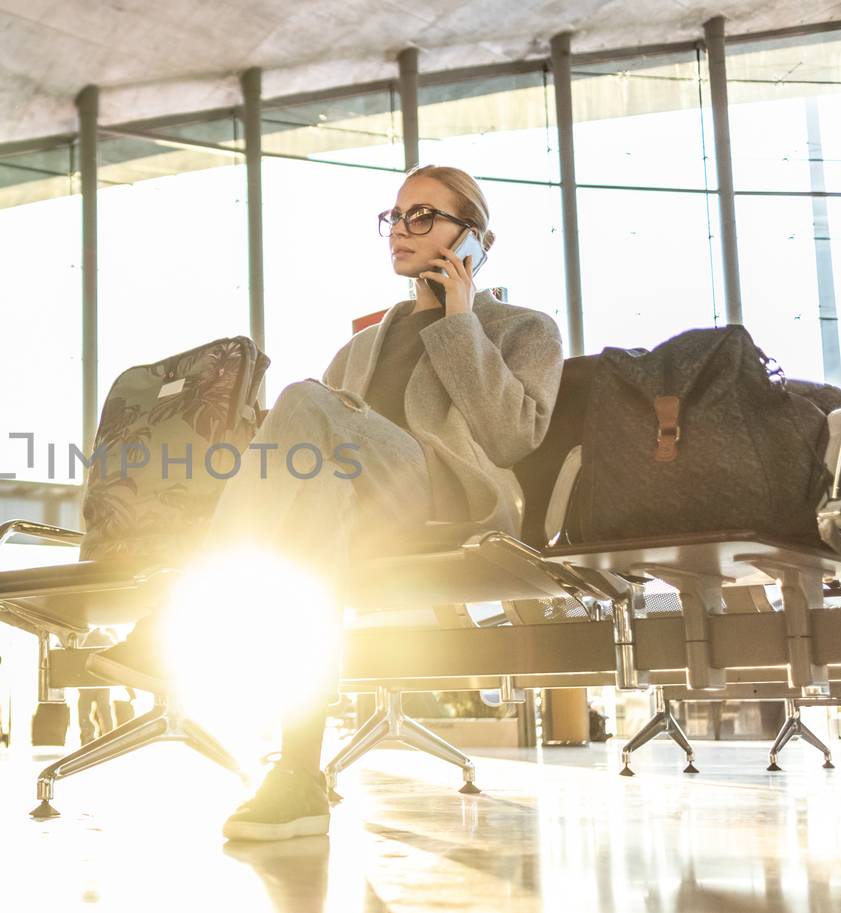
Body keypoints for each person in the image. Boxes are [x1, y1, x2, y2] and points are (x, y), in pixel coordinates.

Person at [87, 165, 564, 841]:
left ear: (474, 239)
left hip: (444, 502)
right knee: (304, 544)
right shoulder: (362, 346)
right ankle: (298, 778)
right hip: (359, 505)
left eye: (423, 216)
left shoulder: (523, 329)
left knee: (304, 397)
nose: (401, 229)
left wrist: (459, 323)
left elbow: (511, 435)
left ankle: (177, 617)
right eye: (395, 217)